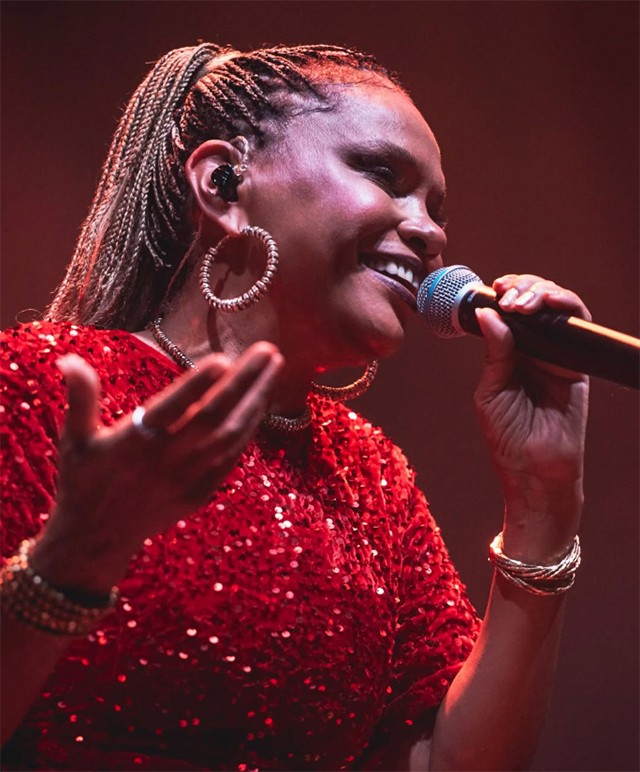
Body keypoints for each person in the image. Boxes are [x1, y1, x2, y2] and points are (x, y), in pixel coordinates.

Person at [0, 43, 590, 771]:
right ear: (222, 184)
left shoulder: (373, 480)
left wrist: (542, 503)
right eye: (383, 175)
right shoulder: (38, 387)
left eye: (436, 209)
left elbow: (444, 761)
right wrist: (72, 557)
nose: (431, 232)